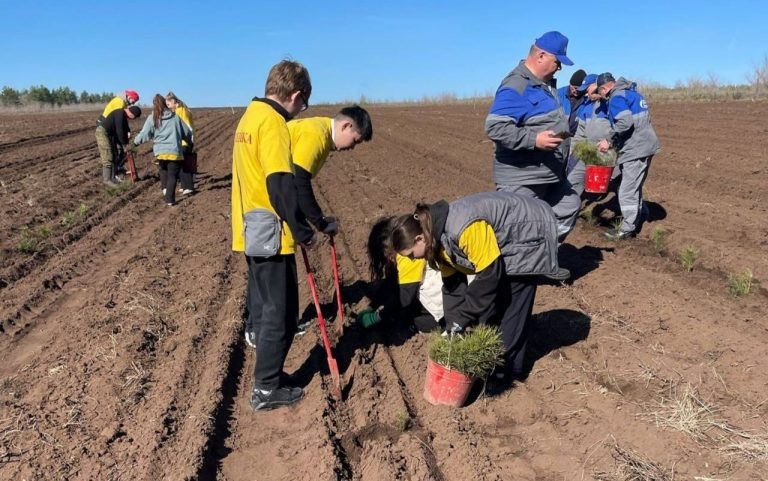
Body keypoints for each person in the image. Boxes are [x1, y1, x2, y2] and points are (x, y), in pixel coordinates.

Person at [390, 191, 561, 385]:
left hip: (529, 233)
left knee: (511, 304)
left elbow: (489, 275)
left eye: (411, 254)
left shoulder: (462, 228)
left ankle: (508, 372)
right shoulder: (437, 242)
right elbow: (453, 286)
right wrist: (453, 325)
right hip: (507, 245)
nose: (413, 260)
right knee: (490, 306)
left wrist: (463, 318)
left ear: (420, 239)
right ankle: (494, 362)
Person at [231, 59, 315, 411]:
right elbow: (279, 183)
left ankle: (271, 379)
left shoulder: (250, 116)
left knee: (268, 308)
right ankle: (266, 389)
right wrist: (300, 229)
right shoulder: (274, 123)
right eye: (304, 103)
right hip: (270, 232)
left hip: (250, 228)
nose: (302, 111)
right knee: (279, 314)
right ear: (294, 95)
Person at [485, 31, 581, 261]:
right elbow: (495, 128)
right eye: (557, 62)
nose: (559, 68)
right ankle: (513, 271)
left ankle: (539, 256)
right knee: (518, 232)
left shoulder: (545, 86)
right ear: (540, 55)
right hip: (523, 178)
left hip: (549, 174)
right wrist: (534, 140)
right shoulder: (517, 84)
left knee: (569, 204)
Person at [594, 73, 660, 239]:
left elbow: (624, 123)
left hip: (635, 149)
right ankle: (641, 214)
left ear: (604, 88)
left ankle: (627, 230)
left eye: (599, 92)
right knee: (633, 185)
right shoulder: (632, 93)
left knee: (626, 190)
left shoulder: (616, 97)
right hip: (646, 145)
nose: (600, 96)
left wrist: (608, 141)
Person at [357, 216, 446, 333]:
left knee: (411, 320)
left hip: (442, 302)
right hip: (440, 292)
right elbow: (392, 281)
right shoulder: (403, 248)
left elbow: (402, 299)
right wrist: (372, 306)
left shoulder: (408, 258)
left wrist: (376, 317)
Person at [132, 94, 193, 206]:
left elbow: (144, 134)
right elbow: (187, 133)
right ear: (165, 103)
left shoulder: (153, 118)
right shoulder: (175, 117)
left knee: (163, 171)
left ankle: (165, 190)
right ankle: (169, 199)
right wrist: (190, 143)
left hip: (160, 152)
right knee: (172, 175)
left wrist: (134, 143)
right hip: (174, 152)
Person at [95, 105, 142, 186]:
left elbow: (124, 130)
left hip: (110, 134)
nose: (132, 119)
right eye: (134, 117)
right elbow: (119, 131)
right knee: (108, 156)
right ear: (132, 114)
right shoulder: (119, 113)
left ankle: (113, 177)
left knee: (114, 155)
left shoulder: (123, 116)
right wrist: (124, 145)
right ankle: (107, 180)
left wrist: (126, 142)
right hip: (102, 132)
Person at [165, 91, 197, 195]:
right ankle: (184, 186)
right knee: (182, 163)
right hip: (185, 140)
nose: (168, 107)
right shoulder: (182, 109)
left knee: (184, 164)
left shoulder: (180, 111)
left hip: (184, 141)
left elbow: (185, 127)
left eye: (169, 105)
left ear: (174, 102)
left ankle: (189, 187)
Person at [557, 69, 587, 134]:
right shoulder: (558, 94)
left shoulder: (587, 98)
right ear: (570, 84)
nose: (577, 91)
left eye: (580, 89)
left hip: (575, 136)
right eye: (575, 88)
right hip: (558, 134)